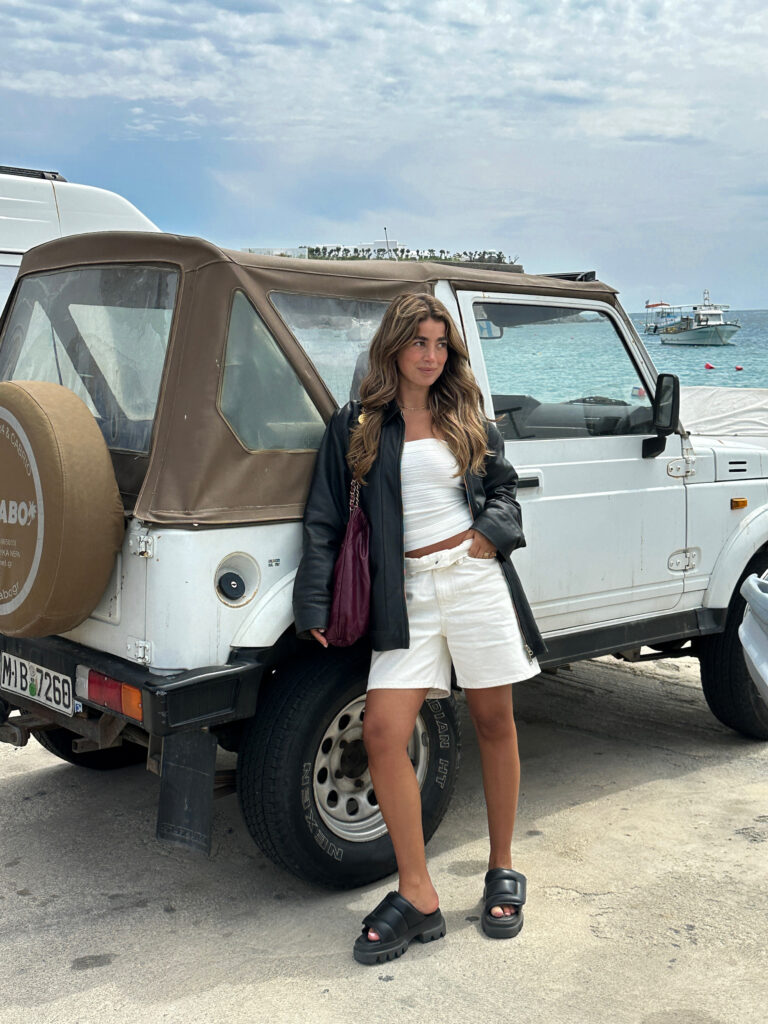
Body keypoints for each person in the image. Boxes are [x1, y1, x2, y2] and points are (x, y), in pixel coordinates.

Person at [293, 292, 546, 965]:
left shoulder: (467, 415)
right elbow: (324, 517)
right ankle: (419, 893)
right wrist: (313, 603)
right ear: (394, 347)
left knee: (494, 721)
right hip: (403, 593)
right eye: (419, 343)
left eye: (440, 344)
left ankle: (501, 867)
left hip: (472, 578)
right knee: (382, 733)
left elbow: (504, 490)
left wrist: (489, 535)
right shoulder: (357, 423)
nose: (431, 356)